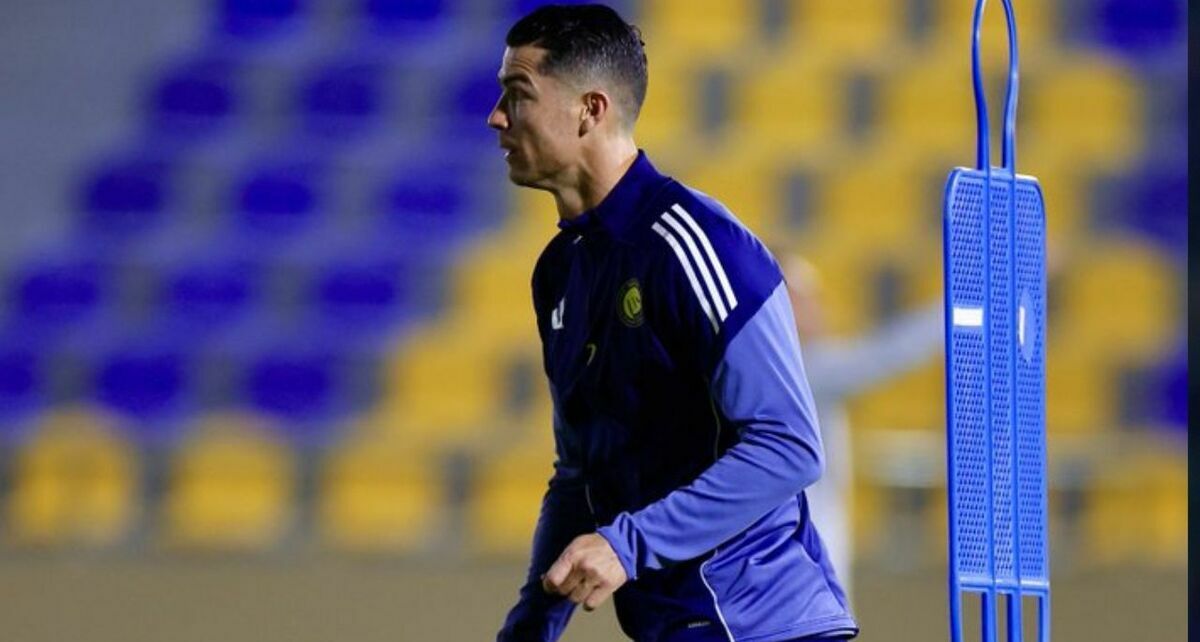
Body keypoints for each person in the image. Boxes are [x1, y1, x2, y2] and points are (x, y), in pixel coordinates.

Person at [488, 5, 857, 641]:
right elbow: (579, 472)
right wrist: (531, 625)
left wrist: (628, 546)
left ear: (590, 110)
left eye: (517, 95)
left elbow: (790, 445)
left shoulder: (698, 246)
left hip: (761, 626)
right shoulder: (559, 272)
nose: (496, 116)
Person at [779, 252, 944, 605]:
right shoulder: (798, 373)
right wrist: (961, 306)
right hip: (797, 573)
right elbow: (885, 354)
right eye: (802, 297)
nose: (815, 308)